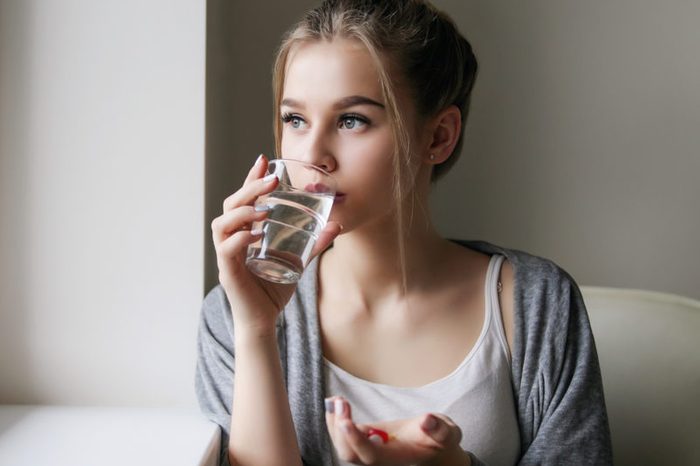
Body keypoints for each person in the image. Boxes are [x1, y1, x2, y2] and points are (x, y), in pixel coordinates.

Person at [196, 0, 612, 465]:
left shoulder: (539, 304)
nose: (313, 154)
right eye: (295, 119)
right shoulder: (233, 314)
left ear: (438, 137)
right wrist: (256, 330)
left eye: (352, 120)